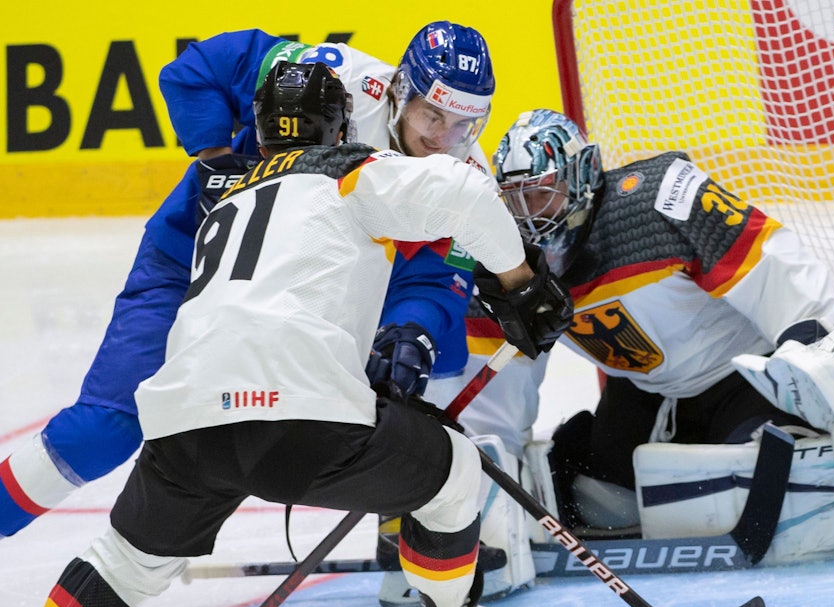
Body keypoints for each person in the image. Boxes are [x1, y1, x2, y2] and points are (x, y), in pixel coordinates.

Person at [0, 62, 571, 607]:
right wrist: (520, 284)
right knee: (453, 469)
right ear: (342, 124)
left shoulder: (227, 190)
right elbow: (463, 195)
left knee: (123, 562)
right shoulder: (355, 172)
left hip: (186, 421)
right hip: (305, 424)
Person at [415, 108, 834, 581]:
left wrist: (813, 349)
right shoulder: (509, 256)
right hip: (647, 393)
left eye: (543, 191)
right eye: (516, 198)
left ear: (582, 176)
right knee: (586, 490)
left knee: (741, 482)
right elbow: (504, 373)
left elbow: (774, 261)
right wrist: (484, 465)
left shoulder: (658, 200)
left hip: (741, 377)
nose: (531, 214)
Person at [0, 22, 493, 541]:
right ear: (399, 92)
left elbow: (433, 282)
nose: (442, 138)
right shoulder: (338, 76)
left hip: (300, 304)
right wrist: (217, 163)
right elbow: (197, 69)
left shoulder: (463, 178)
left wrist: (408, 331)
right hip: (194, 264)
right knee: (104, 429)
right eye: (431, 115)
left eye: (463, 123)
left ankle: (406, 534)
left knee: (332, 412)